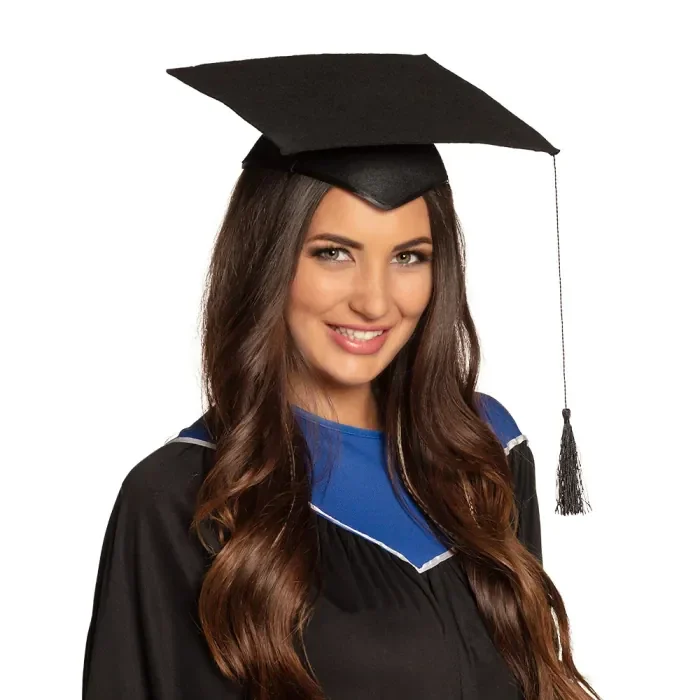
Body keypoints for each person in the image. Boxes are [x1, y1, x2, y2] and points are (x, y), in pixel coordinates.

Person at [82, 54, 599, 700]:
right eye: (334, 254)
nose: (375, 302)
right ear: (269, 260)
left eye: (409, 257)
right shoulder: (183, 497)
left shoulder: (483, 449)